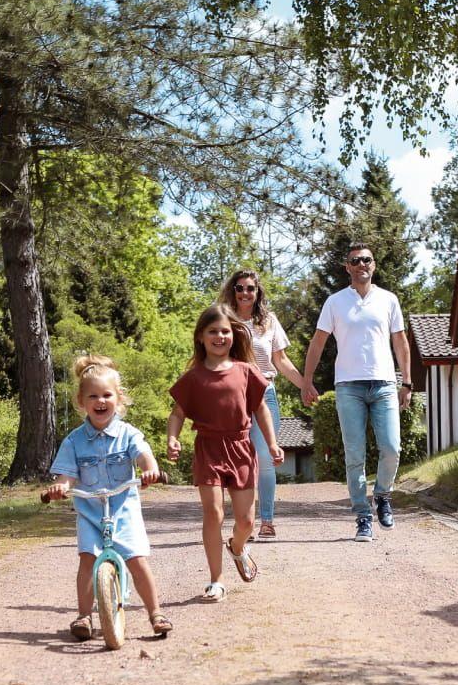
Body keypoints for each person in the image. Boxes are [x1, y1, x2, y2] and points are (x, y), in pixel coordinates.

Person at [48, 354, 169, 640]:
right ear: (81, 401)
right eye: (93, 396)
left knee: (137, 560)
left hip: (124, 509)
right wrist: (60, 486)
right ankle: (84, 616)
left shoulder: (128, 434)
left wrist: (150, 470)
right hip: (91, 513)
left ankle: (156, 612)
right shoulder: (74, 441)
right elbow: (65, 473)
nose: (100, 402)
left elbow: (143, 455)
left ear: (119, 398)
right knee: (87, 559)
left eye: (107, 395)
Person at [167, 304, 284, 602]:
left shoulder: (246, 371)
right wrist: (173, 438)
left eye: (225, 331)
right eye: (213, 331)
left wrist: (271, 444)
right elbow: (178, 413)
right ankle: (216, 579)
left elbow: (261, 409)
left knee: (246, 521)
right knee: (213, 512)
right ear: (201, 337)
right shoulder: (193, 377)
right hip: (208, 448)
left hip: (242, 447)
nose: (220, 336)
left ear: (234, 335)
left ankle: (236, 546)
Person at [300, 243, 411, 542]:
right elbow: (318, 342)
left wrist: (407, 382)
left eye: (367, 260)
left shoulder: (388, 300)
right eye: (355, 261)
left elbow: (400, 342)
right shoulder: (335, 303)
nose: (362, 264)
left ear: (374, 265)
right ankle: (363, 516)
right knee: (355, 455)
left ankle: (383, 496)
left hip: (385, 384)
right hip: (348, 387)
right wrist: (307, 380)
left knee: (391, 448)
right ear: (347, 267)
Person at [217, 269, 302, 539]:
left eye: (250, 288)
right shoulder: (224, 320)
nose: (245, 293)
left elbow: (281, 361)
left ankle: (267, 520)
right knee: (241, 462)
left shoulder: (269, 321)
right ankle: (245, 523)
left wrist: (305, 385)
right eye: (240, 288)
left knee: (265, 459)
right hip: (233, 397)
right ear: (233, 291)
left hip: (265, 393)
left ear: (257, 292)